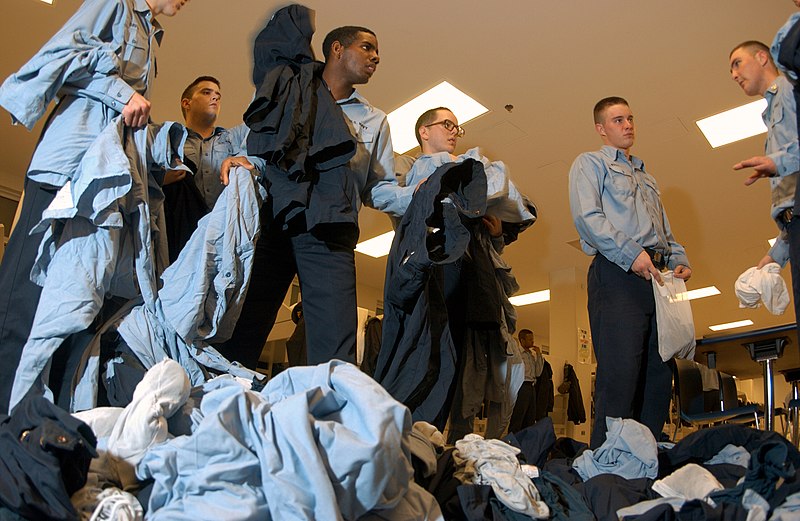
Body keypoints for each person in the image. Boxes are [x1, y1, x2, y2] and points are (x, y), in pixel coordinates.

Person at [0, 0, 190, 414]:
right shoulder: (115, 4)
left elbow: (123, 111)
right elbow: (63, 53)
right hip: (66, 165)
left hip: (99, 177)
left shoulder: (151, 36)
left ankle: (37, 414)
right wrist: (124, 94)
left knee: (70, 296)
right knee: (24, 293)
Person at [217, 19, 399, 369]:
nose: (375, 57)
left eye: (377, 52)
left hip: (330, 227)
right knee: (244, 324)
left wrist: (420, 198)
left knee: (334, 342)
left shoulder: (375, 121)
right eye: (367, 47)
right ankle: (219, 404)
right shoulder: (290, 93)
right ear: (337, 49)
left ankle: (326, 418)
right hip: (276, 219)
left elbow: (378, 187)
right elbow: (266, 148)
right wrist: (248, 160)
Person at [568, 96, 692, 448]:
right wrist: (630, 253)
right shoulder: (590, 164)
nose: (627, 125)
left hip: (658, 278)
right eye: (618, 120)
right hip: (617, 273)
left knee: (657, 373)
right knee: (621, 373)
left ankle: (645, 458)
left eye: (630, 118)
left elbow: (665, 231)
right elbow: (588, 219)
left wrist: (679, 258)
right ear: (601, 128)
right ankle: (606, 465)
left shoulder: (646, 176)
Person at [730, 41, 800, 317]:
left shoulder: (790, 89)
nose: (734, 74)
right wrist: (775, 256)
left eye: (737, 63)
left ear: (762, 58)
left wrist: (776, 161)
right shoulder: (770, 113)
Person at [162, 76, 262, 263]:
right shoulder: (169, 140)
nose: (214, 97)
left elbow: (260, 118)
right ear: (186, 103)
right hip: (180, 234)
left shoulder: (232, 138)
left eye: (218, 95)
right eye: (206, 92)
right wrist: (162, 179)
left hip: (222, 231)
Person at [507, 329, 544, 434]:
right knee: (518, 416)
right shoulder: (517, 354)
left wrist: (539, 355)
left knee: (530, 417)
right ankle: (512, 442)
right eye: (530, 339)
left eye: (533, 339)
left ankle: (526, 443)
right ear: (522, 340)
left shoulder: (531, 355)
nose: (532, 341)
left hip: (531, 387)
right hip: (521, 386)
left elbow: (538, 373)